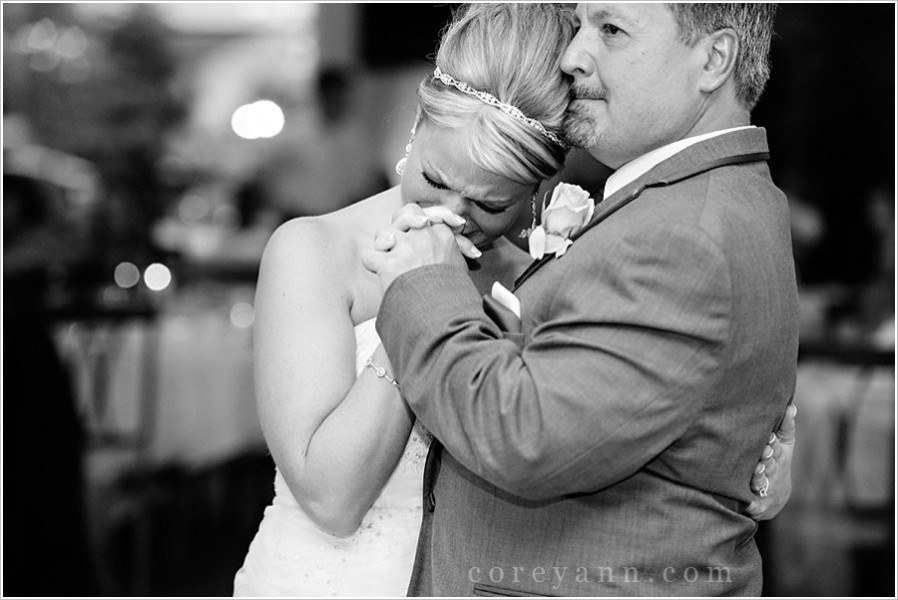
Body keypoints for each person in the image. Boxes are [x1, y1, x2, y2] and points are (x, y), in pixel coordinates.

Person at [235, 4, 794, 597]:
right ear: (416, 126)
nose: (449, 216)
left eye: (489, 205)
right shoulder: (311, 250)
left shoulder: (543, 271)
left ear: (535, 192)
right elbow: (331, 500)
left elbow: (590, 414)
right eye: (435, 179)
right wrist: (412, 301)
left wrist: (745, 461)